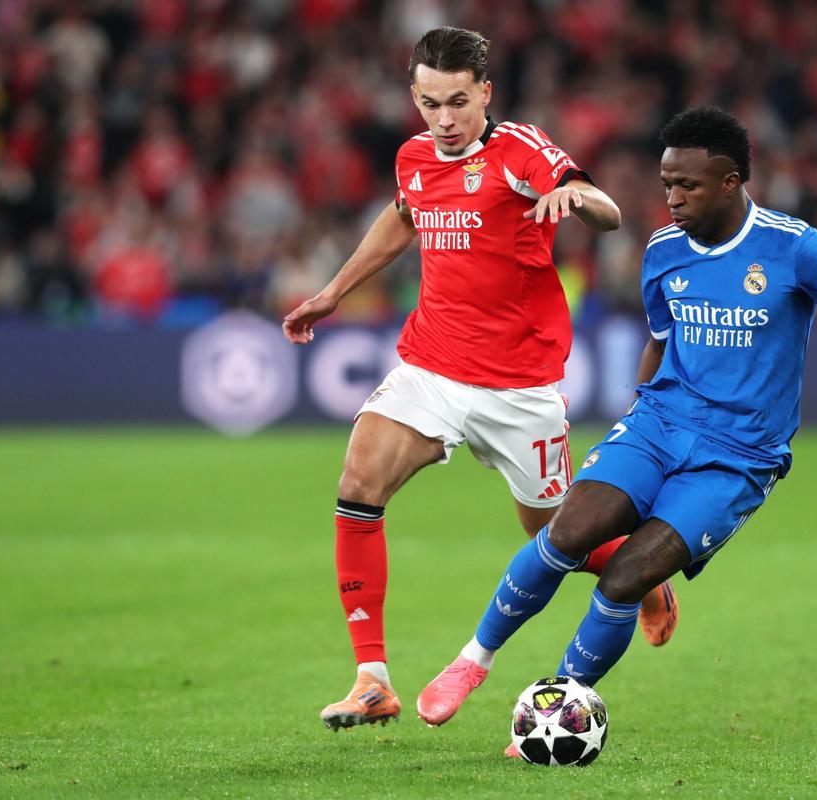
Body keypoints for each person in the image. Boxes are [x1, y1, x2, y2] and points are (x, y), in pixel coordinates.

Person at [418, 106, 817, 749]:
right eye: (667, 185)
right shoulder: (664, 251)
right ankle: (472, 661)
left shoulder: (795, 248)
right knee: (567, 530)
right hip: (659, 424)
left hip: (738, 456)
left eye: (689, 186)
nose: (673, 199)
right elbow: (661, 340)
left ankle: (557, 707)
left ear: (732, 181)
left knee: (627, 574)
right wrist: (636, 413)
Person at [281, 27, 680, 732]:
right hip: (432, 365)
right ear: (415, 96)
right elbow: (404, 218)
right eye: (430, 102)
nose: (444, 118)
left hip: (518, 387)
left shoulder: (520, 149)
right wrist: (335, 289)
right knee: (357, 482)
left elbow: (606, 208)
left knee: (557, 540)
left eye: (458, 102)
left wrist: (575, 200)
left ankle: (640, 575)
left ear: (485, 93)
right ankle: (371, 678)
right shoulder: (413, 158)